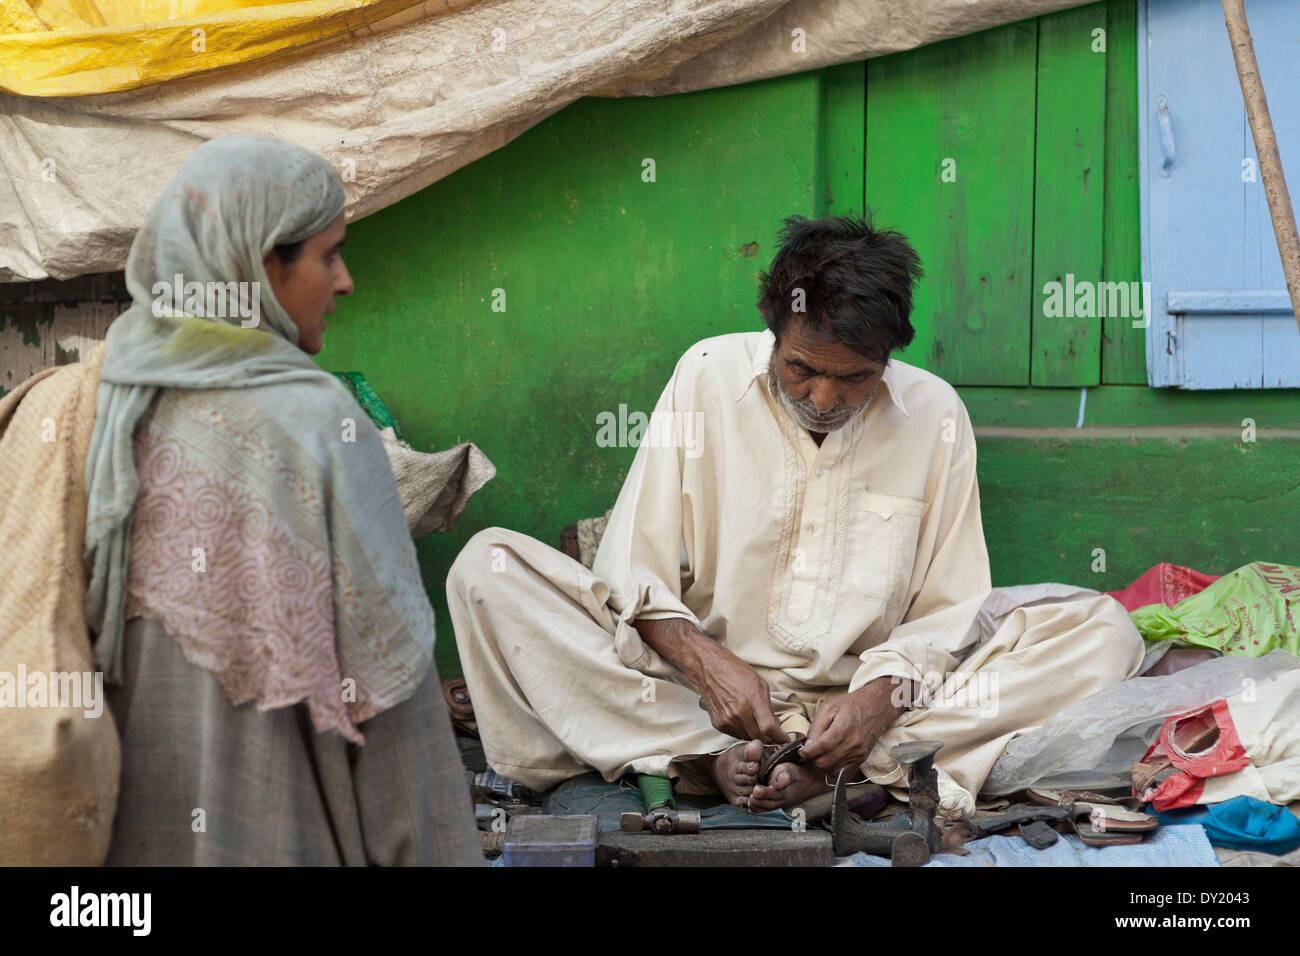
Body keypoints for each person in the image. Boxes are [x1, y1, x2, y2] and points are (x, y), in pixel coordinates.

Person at [447, 214, 1145, 817]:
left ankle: (831, 768)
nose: (824, 397)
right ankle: (708, 757)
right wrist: (708, 663)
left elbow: (945, 610)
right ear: (775, 328)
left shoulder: (935, 416)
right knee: (489, 565)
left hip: (862, 707)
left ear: (889, 357)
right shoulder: (707, 375)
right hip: (692, 694)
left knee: (1102, 633)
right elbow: (632, 568)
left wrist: (878, 701)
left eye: (855, 378)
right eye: (802, 368)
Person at [82, 135, 480, 865]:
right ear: (263, 264)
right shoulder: (316, 426)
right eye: (329, 255)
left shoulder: (88, 413)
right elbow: (398, 732)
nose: (346, 280)